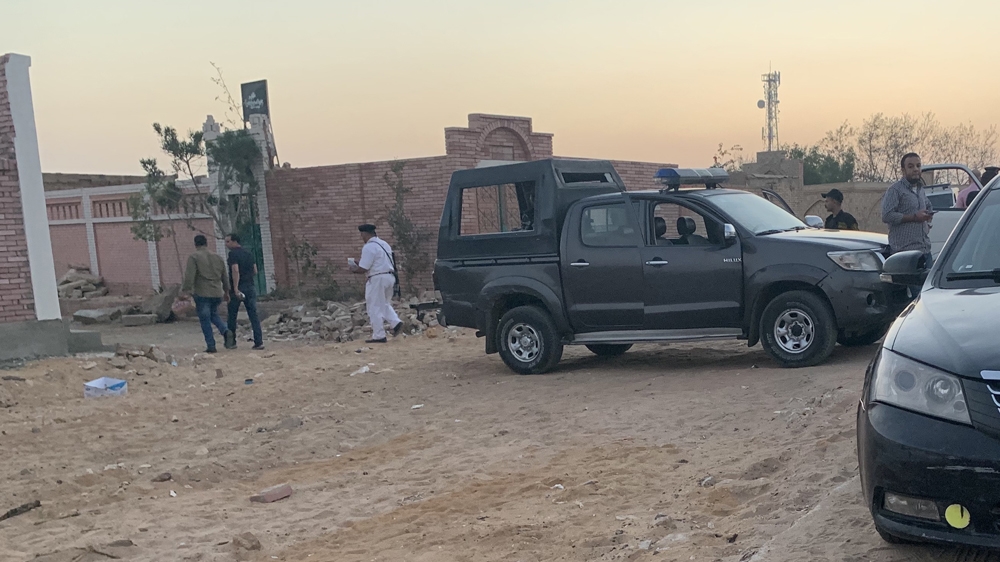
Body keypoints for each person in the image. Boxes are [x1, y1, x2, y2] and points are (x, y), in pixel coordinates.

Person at [881, 152, 934, 296]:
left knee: (929, 292)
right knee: (919, 297)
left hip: (925, 250)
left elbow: (928, 206)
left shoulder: (920, 189)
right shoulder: (895, 190)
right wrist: (914, 217)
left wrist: (928, 217)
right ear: (903, 171)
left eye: (918, 165)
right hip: (906, 255)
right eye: (911, 166)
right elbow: (886, 215)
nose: (916, 169)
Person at [348, 224, 402, 343]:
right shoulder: (384, 244)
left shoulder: (368, 247)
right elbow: (377, 261)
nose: (362, 237)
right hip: (389, 277)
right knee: (384, 304)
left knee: (374, 307)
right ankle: (396, 322)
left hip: (377, 279)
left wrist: (354, 269)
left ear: (366, 234)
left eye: (362, 235)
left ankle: (379, 335)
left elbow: (364, 268)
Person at [181, 234, 232, 353]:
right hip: (217, 292)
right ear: (206, 243)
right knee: (213, 314)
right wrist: (227, 291)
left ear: (195, 244)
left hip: (202, 293)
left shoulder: (194, 257)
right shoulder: (218, 257)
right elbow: (225, 276)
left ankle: (211, 345)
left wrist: (186, 291)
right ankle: (225, 330)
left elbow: (189, 276)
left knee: (205, 319)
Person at [224, 233, 264, 350]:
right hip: (250, 287)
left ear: (235, 241)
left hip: (238, 287)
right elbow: (255, 270)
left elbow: (235, 270)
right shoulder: (249, 253)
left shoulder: (233, 255)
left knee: (232, 315)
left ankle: (231, 342)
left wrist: (235, 288)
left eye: (228, 242)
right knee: (253, 315)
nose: (226, 244)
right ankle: (259, 341)